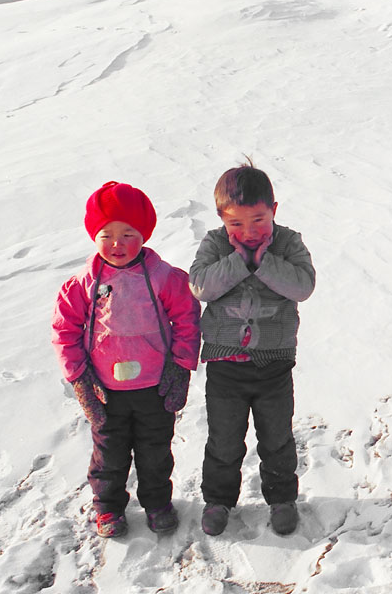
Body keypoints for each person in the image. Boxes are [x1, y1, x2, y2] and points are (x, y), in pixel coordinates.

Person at [52, 181, 201, 539]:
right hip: (106, 390)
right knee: (109, 454)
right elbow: (65, 331)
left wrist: (180, 367)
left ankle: (157, 503)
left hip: (155, 387)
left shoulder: (165, 278)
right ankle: (108, 507)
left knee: (155, 451)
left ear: (145, 234)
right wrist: (80, 380)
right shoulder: (82, 284)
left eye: (128, 233)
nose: (117, 244)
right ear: (94, 235)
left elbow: (186, 319)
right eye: (107, 234)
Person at [189, 162, 315, 537]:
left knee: (277, 439)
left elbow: (303, 286)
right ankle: (218, 500)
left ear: (274, 209)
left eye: (258, 220)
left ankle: (281, 499)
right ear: (221, 220)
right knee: (224, 439)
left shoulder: (288, 243)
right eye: (236, 224)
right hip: (225, 367)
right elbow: (200, 286)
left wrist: (262, 262)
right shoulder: (214, 244)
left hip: (274, 366)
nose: (248, 232)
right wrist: (239, 261)